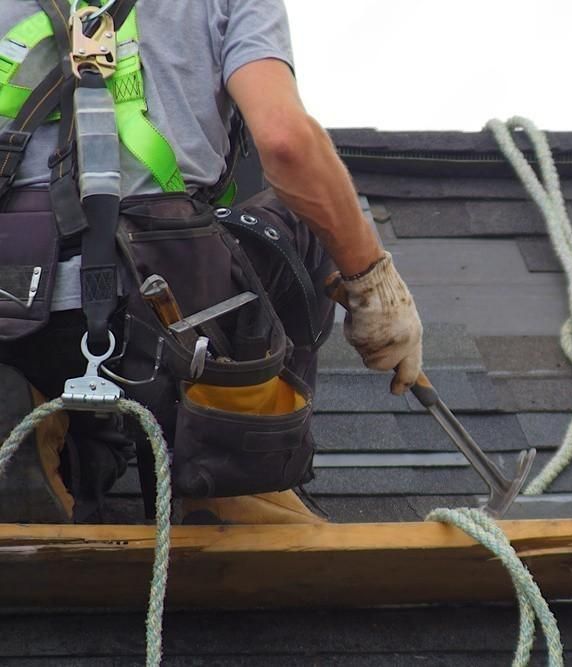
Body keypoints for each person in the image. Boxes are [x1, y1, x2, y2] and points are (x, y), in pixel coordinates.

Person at [0, 0, 423, 524]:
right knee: (301, 224)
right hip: (165, 301)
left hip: (14, 306)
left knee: (82, 418)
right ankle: (235, 464)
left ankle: (41, 429)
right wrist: (371, 278)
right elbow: (286, 141)